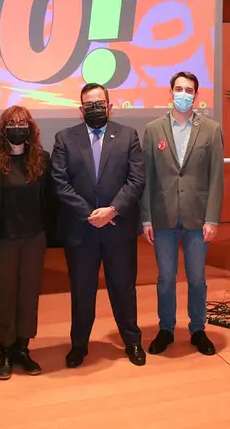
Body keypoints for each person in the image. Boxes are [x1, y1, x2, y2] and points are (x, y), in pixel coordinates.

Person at [52, 83, 146, 368]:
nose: (95, 109)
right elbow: (59, 182)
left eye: (100, 104)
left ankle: (132, 341)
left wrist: (112, 210)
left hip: (119, 227)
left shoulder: (128, 135)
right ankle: (79, 345)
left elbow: (136, 179)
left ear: (110, 106)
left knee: (124, 288)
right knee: (82, 290)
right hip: (82, 230)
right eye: (89, 105)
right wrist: (91, 214)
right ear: (81, 110)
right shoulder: (64, 138)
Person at [141, 71, 224, 356]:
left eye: (189, 90)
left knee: (197, 279)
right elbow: (147, 177)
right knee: (165, 278)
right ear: (170, 92)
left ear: (196, 95)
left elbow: (216, 178)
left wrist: (213, 218)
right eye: (179, 88)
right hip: (163, 218)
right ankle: (166, 328)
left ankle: (198, 329)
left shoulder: (211, 130)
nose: (184, 94)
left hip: (198, 219)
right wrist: (146, 217)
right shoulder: (153, 130)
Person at [0, 105, 52, 380]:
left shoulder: (41, 159)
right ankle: (5, 351)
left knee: (29, 294)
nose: (18, 126)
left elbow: (49, 199)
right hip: (3, 240)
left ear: (31, 128)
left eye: (23, 122)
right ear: (3, 128)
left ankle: (23, 347)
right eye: (12, 122)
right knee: (6, 295)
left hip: (34, 238)